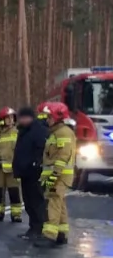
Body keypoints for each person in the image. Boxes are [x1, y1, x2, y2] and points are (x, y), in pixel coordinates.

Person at [38, 102, 77, 247]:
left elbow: (62, 157)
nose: (47, 120)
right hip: (57, 176)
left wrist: (54, 175)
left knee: (53, 203)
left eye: (50, 117)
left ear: (58, 117)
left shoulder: (63, 133)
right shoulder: (57, 132)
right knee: (59, 203)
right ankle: (61, 233)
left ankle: (49, 235)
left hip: (59, 176)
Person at [13, 105, 49, 239]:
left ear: (30, 118)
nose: (21, 120)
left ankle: (39, 228)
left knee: (36, 201)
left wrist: (36, 163)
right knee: (28, 202)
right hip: (25, 172)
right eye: (20, 118)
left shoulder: (38, 130)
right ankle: (33, 228)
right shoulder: (23, 131)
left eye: (24, 118)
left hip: (34, 172)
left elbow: (42, 148)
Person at [0, 107, 22, 222]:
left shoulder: (17, 132)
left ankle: (16, 214)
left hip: (13, 169)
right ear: (2, 119)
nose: (11, 120)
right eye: (8, 118)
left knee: (14, 192)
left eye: (12, 118)